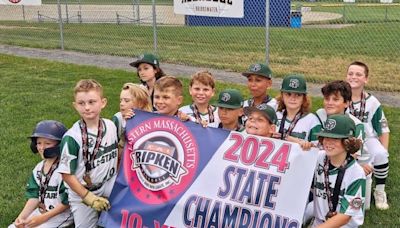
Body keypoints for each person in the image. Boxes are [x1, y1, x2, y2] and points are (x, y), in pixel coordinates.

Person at [58, 79, 119, 228]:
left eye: (92, 102)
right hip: (82, 191)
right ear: (75, 106)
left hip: (108, 182)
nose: (87, 107)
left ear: (103, 102)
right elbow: (66, 174)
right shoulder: (72, 137)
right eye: (81, 103)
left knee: (129, 207)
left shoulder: (110, 126)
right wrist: (88, 197)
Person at [9, 120, 73, 228]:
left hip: (60, 215)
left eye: (47, 143)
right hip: (42, 212)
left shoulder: (64, 169)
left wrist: (42, 219)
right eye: (39, 143)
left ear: (59, 145)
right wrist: (21, 217)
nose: (41, 148)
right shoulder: (39, 168)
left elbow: (66, 203)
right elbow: (34, 196)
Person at [345, 61, 390, 210]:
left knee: (381, 154)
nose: (354, 77)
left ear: (366, 79)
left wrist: (383, 153)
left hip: (368, 138)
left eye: (358, 74)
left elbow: (384, 129)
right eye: (350, 73)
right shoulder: (341, 98)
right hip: (346, 138)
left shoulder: (372, 102)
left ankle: (380, 191)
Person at [312, 114, 366, 228]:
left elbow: (344, 217)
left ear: (348, 142)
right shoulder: (318, 157)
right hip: (319, 221)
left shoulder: (356, 173)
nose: (328, 142)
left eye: (335, 138)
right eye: (326, 137)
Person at [273, 74, 320, 150]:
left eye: (298, 95)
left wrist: (307, 145)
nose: (293, 98)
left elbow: (319, 148)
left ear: (304, 98)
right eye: (288, 94)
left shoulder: (312, 120)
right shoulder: (275, 116)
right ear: (282, 96)